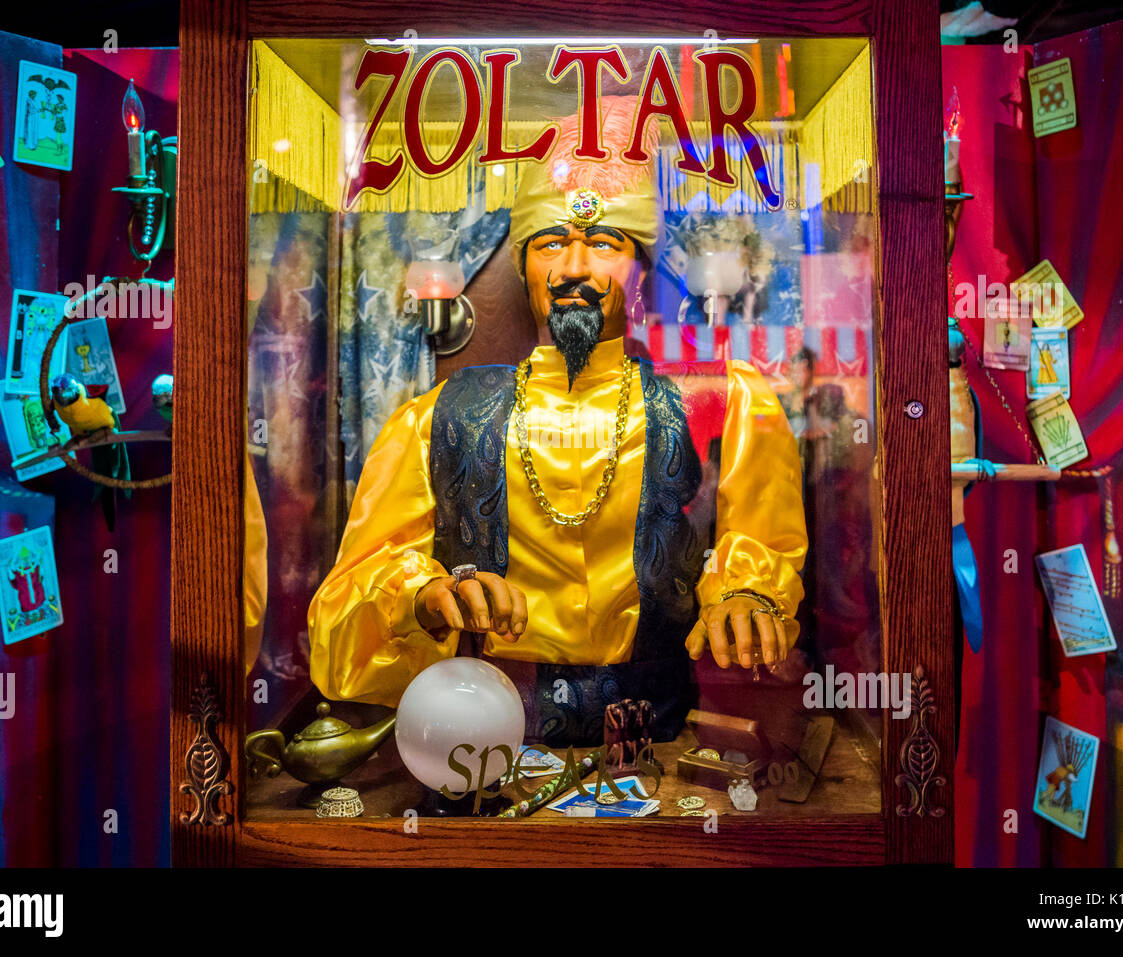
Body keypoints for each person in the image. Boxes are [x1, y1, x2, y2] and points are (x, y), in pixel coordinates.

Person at [308, 98, 807, 746]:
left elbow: (765, 551)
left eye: (603, 243)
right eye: (550, 243)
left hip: (671, 745)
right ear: (523, 266)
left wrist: (749, 597)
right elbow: (338, 623)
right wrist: (422, 596)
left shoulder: (726, 403)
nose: (574, 269)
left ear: (641, 270)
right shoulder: (434, 421)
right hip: (486, 746)